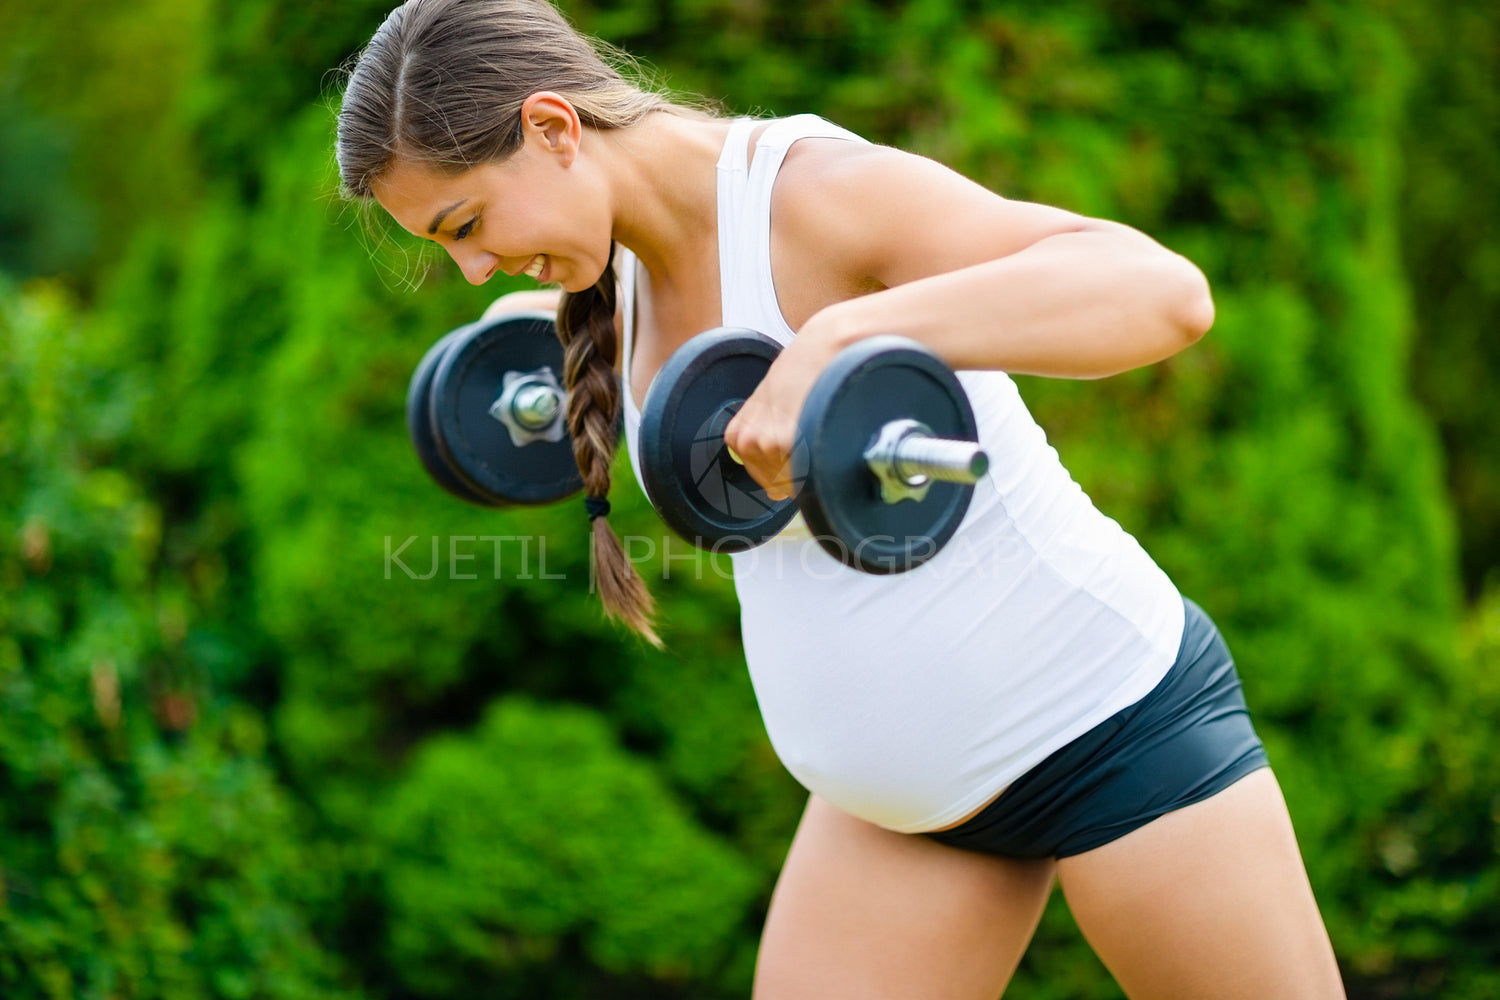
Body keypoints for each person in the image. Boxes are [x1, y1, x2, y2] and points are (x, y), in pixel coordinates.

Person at [336, 1, 1348, 996]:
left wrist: (838, 338)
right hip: (894, 820)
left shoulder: (811, 197)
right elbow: (575, 337)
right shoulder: (614, 274)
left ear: (553, 128)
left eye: (466, 224)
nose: (468, 269)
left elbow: (1163, 292)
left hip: (1112, 735)